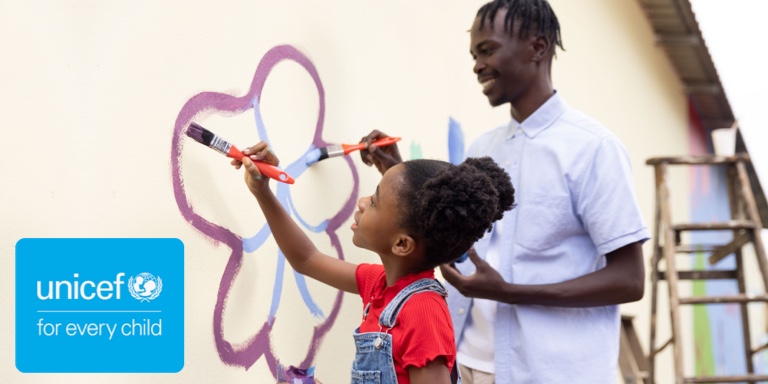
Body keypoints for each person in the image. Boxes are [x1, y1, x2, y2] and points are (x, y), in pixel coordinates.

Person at [358, 0, 650, 383]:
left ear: (538, 48)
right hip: (466, 364)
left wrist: (510, 291)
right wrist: (396, 171)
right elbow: (458, 243)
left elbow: (629, 280)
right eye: (474, 54)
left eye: (488, 50)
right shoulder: (483, 147)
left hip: (550, 373)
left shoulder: (593, 148)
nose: (477, 65)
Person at [233, 142, 515, 384]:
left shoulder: (423, 312)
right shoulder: (379, 285)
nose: (363, 202)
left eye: (376, 201)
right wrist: (262, 191)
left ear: (402, 244)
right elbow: (307, 259)